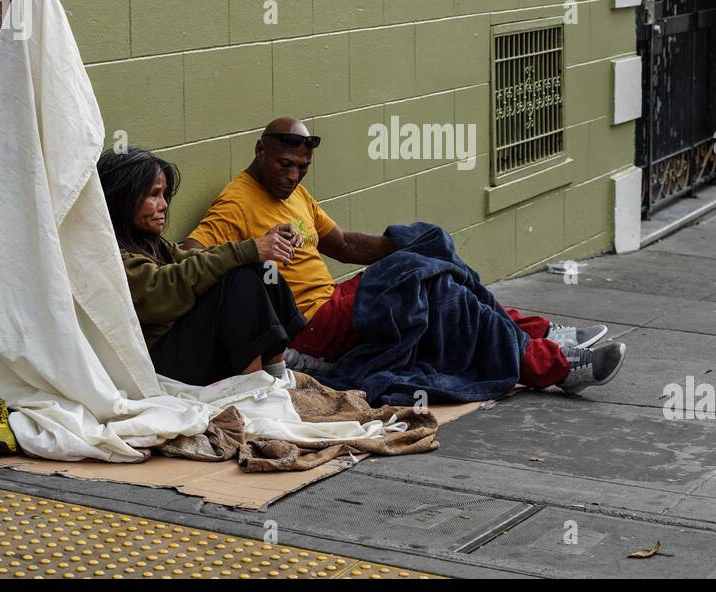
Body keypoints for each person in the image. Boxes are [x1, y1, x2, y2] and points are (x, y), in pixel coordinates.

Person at [182, 117, 626, 395]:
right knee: (428, 279)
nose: (293, 176)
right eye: (284, 165)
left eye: (301, 168)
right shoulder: (236, 203)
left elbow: (344, 246)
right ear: (260, 151)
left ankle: (542, 335)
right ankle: (556, 365)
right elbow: (189, 257)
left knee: (438, 273)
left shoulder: (297, 195)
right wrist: (249, 252)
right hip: (308, 328)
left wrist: (406, 243)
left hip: (338, 306)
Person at [96, 147, 308, 387]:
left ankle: (277, 374)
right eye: (154, 195)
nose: (164, 205)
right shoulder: (109, 254)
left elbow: (192, 258)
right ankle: (255, 390)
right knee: (238, 281)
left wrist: (256, 248)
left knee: (258, 269)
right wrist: (247, 250)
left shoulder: (148, 243)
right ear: (122, 200)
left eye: (165, 195)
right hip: (156, 367)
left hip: (180, 352)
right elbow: (165, 288)